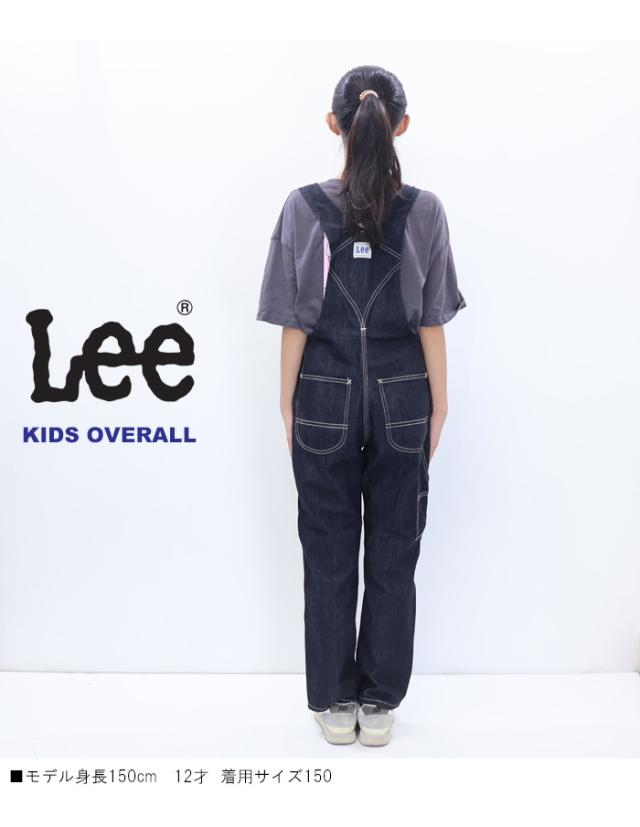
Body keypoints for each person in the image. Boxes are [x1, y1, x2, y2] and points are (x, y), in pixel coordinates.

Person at [256, 65, 466, 747]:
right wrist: (439, 404)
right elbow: (431, 318)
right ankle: (379, 706)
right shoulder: (426, 210)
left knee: (327, 552)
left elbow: (295, 319)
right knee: (395, 553)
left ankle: (334, 701)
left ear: (333, 124)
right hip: (405, 395)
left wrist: (287, 402)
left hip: (323, 392)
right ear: (401, 125)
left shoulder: (301, 208)